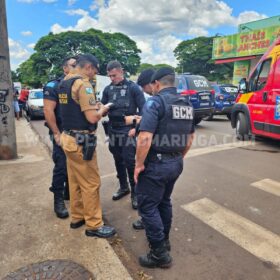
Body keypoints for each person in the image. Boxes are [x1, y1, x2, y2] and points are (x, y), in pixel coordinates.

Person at [134, 67, 195, 268]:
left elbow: (145, 137)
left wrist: (138, 165)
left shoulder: (155, 102)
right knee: (164, 201)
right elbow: (190, 137)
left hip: (156, 164)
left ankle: (159, 254)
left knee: (148, 207)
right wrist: (178, 157)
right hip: (176, 162)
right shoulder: (186, 104)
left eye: (152, 86)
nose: (151, 89)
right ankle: (164, 241)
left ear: (157, 84)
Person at [59, 54, 116, 238]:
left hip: (67, 138)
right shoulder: (83, 85)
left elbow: (74, 108)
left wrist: (93, 106)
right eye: (95, 70)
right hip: (81, 141)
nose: (94, 74)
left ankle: (77, 217)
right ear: (89, 67)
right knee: (91, 183)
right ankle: (94, 225)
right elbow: (92, 117)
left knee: (75, 181)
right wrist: (102, 109)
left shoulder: (64, 83)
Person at [101, 60, 145, 209]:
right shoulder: (107, 89)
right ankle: (123, 187)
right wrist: (102, 109)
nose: (112, 78)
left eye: (114, 75)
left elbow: (144, 111)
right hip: (113, 129)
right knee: (117, 159)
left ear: (122, 71)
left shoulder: (134, 88)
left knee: (130, 163)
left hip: (128, 131)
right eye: (110, 76)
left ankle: (136, 193)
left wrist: (136, 128)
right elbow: (102, 108)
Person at [43, 56, 76, 219]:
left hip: (76, 133)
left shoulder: (78, 85)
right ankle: (58, 200)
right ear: (64, 68)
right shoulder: (53, 86)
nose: (76, 68)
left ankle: (68, 193)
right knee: (62, 166)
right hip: (61, 132)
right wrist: (56, 133)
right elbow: (48, 111)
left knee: (74, 165)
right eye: (73, 65)